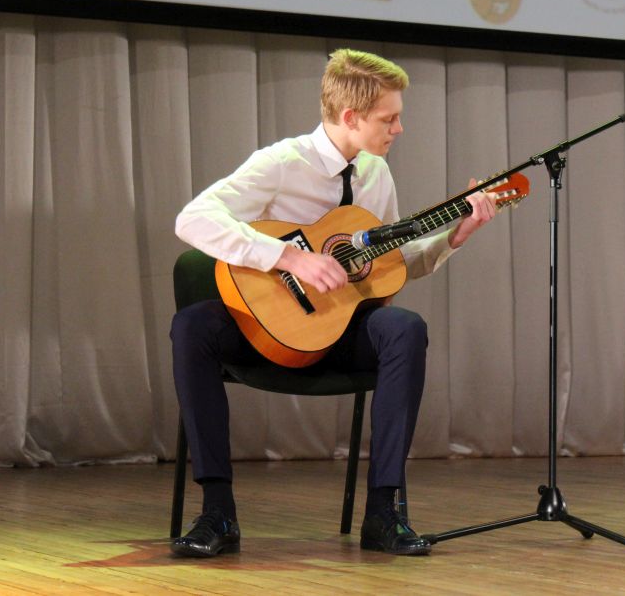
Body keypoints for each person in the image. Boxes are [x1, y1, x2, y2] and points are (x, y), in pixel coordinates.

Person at [169, 48, 497, 558]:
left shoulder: (375, 174)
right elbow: (192, 219)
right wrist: (288, 257)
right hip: (265, 332)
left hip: (339, 332)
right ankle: (218, 511)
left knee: (405, 328)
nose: (399, 129)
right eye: (389, 119)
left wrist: (456, 235)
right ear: (350, 117)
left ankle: (384, 513)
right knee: (193, 324)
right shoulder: (282, 163)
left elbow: (390, 265)